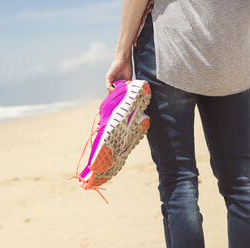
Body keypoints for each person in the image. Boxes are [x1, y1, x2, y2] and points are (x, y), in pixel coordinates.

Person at [105, 0, 250, 247]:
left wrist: (121, 53)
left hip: (170, 47)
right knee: (241, 184)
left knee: (178, 182)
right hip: (235, 53)